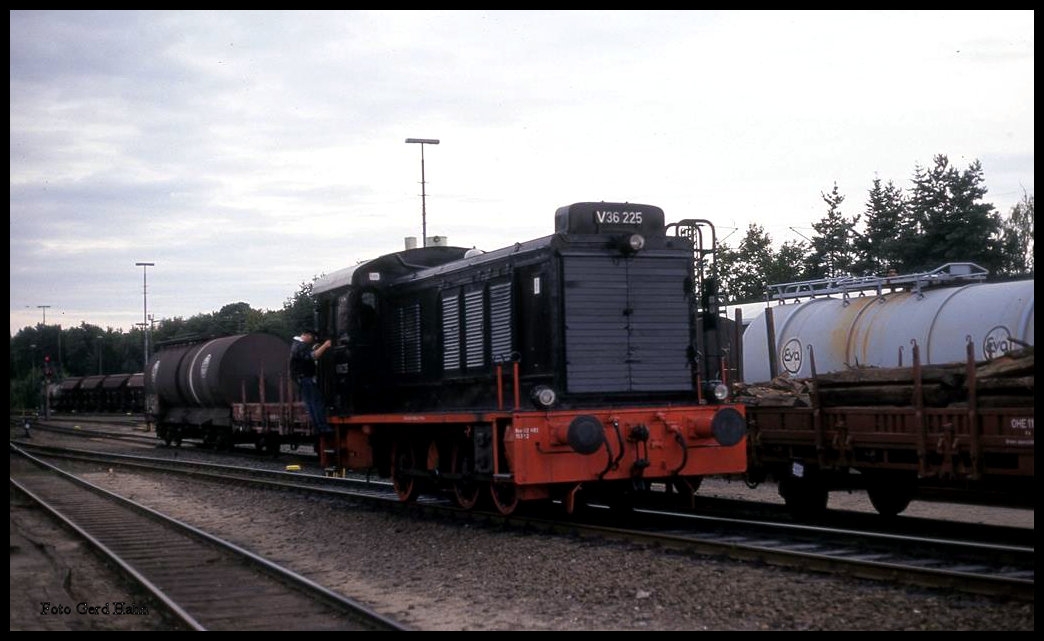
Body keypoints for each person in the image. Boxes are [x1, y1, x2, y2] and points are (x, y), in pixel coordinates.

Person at [290, 329, 333, 435]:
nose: (312, 341)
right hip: (305, 378)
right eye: (312, 338)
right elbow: (311, 357)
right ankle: (323, 427)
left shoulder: (296, 345)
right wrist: (326, 345)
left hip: (301, 378)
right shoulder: (300, 345)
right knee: (316, 402)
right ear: (307, 335)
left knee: (310, 403)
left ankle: (319, 427)